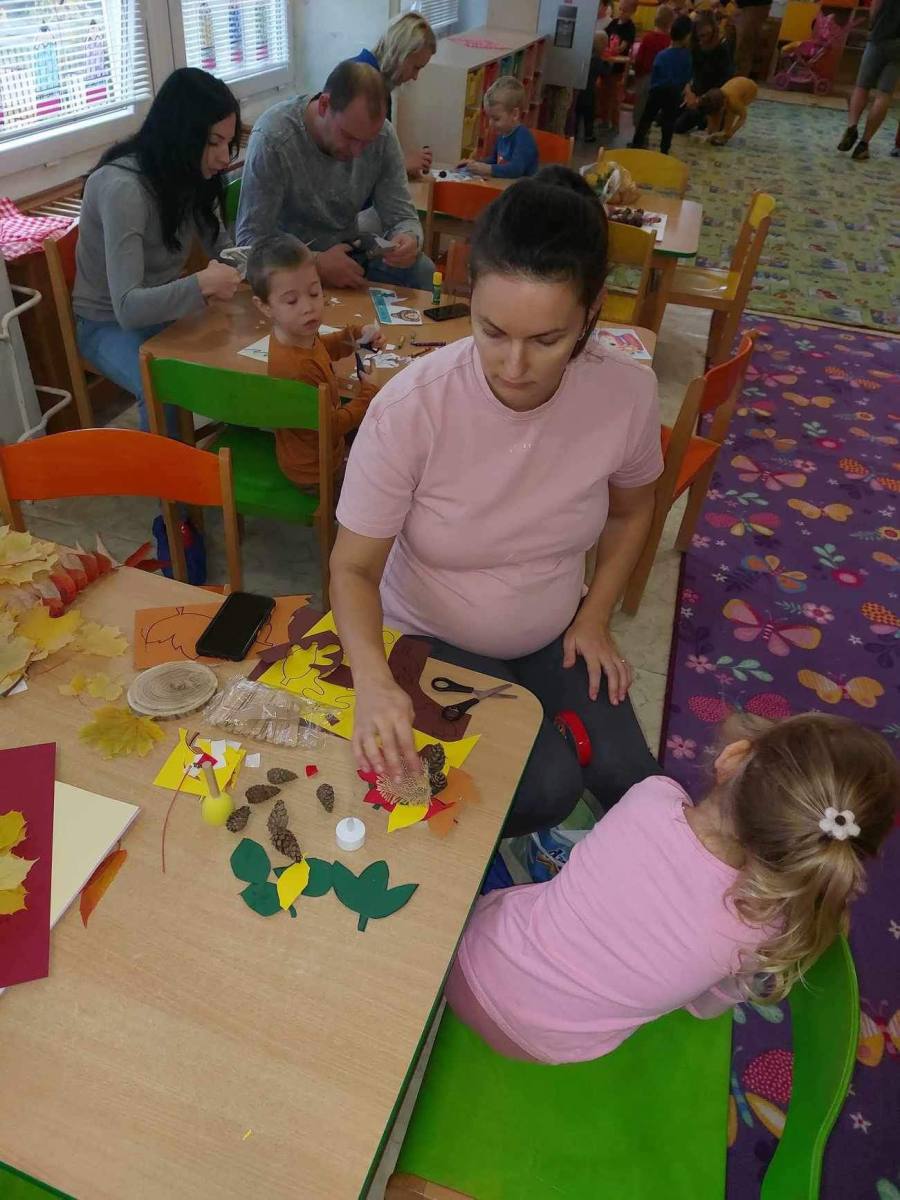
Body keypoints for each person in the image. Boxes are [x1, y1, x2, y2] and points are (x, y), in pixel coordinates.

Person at [330, 172, 663, 837]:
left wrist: (595, 615)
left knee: (639, 788)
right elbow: (353, 568)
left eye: (546, 340)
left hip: (555, 629)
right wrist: (372, 678)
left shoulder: (625, 393)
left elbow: (633, 511)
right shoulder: (413, 408)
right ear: (469, 295)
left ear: (592, 311)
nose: (513, 366)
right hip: (429, 634)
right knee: (544, 787)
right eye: (492, 331)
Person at [445, 713, 899, 1064]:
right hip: (552, 1048)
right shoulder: (769, 930)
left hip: (465, 966)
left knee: (528, 879)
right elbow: (705, 1006)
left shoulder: (652, 797)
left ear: (732, 758)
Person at [72, 68, 242, 430]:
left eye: (228, 143)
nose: (224, 158)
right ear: (181, 134)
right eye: (214, 142)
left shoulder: (192, 174)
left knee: (240, 354)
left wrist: (266, 265)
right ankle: (170, 466)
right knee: (159, 386)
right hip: (105, 323)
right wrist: (200, 285)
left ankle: (227, 453)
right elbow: (128, 308)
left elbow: (224, 249)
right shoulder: (124, 188)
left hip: (163, 310)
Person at [236, 60, 435, 293]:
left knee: (423, 271)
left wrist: (409, 238)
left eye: (366, 142)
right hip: (289, 266)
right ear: (324, 105)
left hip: (349, 253)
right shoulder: (274, 138)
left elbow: (403, 217)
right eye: (349, 137)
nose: (357, 152)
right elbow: (249, 244)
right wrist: (315, 263)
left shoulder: (383, 136)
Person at [246, 234, 383, 490]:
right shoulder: (297, 368)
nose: (308, 307)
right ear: (264, 307)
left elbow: (321, 347)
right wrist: (369, 393)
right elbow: (332, 427)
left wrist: (355, 336)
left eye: (314, 292)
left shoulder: (293, 335)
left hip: (317, 451)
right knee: (386, 474)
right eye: (292, 301)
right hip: (318, 472)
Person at [350, 12, 437, 176]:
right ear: (400, 55)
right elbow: (352, 167)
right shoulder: (361, 84)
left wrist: (401, 164)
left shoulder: (379, 83)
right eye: (416, 67)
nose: (415, 77)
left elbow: (377, 153)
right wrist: (401, 164)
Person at [837, 0, 900, 161]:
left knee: (861, 87)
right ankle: (863, 145)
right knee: (884, 94)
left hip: (879, 37)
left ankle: (852, 127)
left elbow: (876, 5)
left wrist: (874, 24)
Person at [630, 15, 695, 154]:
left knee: (646, 118)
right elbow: (687, 76)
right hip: (674, 93)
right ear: (687, 36)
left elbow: (656, 71)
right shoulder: (687, 56)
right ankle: (664, 150)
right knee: (668, 123)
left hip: (658, 90)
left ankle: (636, 144)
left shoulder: (662, 55)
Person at [459, 77, 539, 178]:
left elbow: (516, 170)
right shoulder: (503, 133)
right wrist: (474, 164)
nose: (490, 123)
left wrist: (487, 169)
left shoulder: (523, 137)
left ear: (515, 114)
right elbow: (494, 160)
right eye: (489, 118)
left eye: (496, 119)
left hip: (522, 187)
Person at [675, 11, 734, 134]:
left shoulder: (722, 48)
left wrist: (700, 100)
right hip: (694, 92)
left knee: (680, 125)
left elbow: (725, 82)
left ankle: (706, 119)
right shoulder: (695, 46)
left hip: (712, 98)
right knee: (667, 119)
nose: (702, 39)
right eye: (700, 36)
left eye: (706, 35)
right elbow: (687, 73)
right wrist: (689, 93)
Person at [598, 0, 639, 132]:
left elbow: (623, 47)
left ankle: (615, 124)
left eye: (625, 11)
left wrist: (615, 49)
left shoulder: (630, 27)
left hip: (618, 68)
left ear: (632, 12)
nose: (621, 12)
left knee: (615, 96)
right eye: (620, 9)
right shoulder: (614, 22)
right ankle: (604, 120)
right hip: (606, 64)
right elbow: (604, 36)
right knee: (604, 93)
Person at [632, 5, 675, 131]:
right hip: (661, 80)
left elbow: (639, 59)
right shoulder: (670, 41)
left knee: (641, 107)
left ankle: (638, 132)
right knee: (654, 108)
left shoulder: (648, 38)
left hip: (645, 76)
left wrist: (637, 75)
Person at [575, 32, 614, 143]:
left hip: (578, 87)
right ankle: (588, 135)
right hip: (589, 90)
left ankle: (574, 133)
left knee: (577, 112)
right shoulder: (597, 59)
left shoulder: (586, 54)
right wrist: (609, 63)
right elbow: (605, 72)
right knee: (589, 114)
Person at [696, 75, 758, 144]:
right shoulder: (711, 97)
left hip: (750, 89)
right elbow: (711, 113)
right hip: (735, 85)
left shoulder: (734, 102)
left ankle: (725, 135)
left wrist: (732, 131)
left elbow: (743, 117)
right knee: (714, 113)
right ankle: (715, 133)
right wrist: (710, 131)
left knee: (730, 112)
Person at [732, 0, 772, 78]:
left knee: (744, 47)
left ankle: (739, 79)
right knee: (736, 45)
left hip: (753, 6)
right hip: (744, 6)